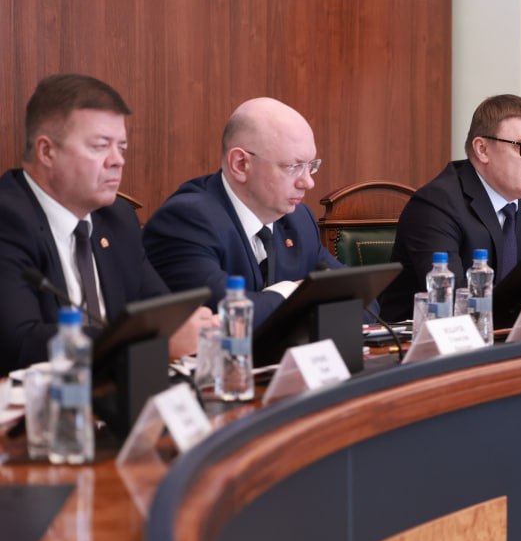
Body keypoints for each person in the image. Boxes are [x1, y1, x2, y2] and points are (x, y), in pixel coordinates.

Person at [0, 74, 211, 375]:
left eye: (121, 148)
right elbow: (20, 343)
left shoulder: (118, 218)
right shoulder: (8, 220)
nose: (117, 161)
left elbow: (162, 312)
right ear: (47, 151)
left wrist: (192, 326)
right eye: (100, 146)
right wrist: (150, 343)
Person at [380, 94, 521, 321]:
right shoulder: (436, 204)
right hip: (421, 340)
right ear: (482, 149)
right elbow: (454, 303)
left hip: (516, 335)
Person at [143, 97, 341, 327]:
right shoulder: (186, 221)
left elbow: (358, 297)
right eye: (293, 167)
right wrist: (293, 292)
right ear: (240, 164)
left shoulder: (299, 220)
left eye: (311, 166)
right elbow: (228, 317)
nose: (308, 183)